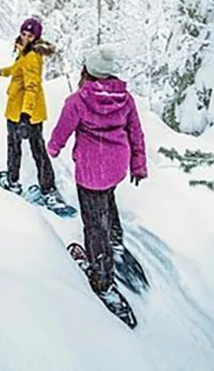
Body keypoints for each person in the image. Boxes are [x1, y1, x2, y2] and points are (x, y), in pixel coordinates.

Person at [47, 44, 147, 312]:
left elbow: (61, 131)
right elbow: (136, 133)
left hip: (91, 169)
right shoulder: (126, 99)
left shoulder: (78, 100)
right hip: (116, 166)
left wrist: (52, 150)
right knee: (108, 198)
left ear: (88, 72)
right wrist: (138, 165)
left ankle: (103, 280)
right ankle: (115, 239)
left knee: (93, 223)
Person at [0, 17, 69, 210]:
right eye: (23, 33)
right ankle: (14, 181)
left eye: (29, 35)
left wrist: (25, 116)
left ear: (36, 37)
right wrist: (2, 72)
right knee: (16, 146)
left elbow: (32, 87)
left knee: (35, 149)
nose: (25, 37)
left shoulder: (32, 56)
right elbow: (17, 69)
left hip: (25, 112)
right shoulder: (26, 52)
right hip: (18, 110)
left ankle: (47, 189)